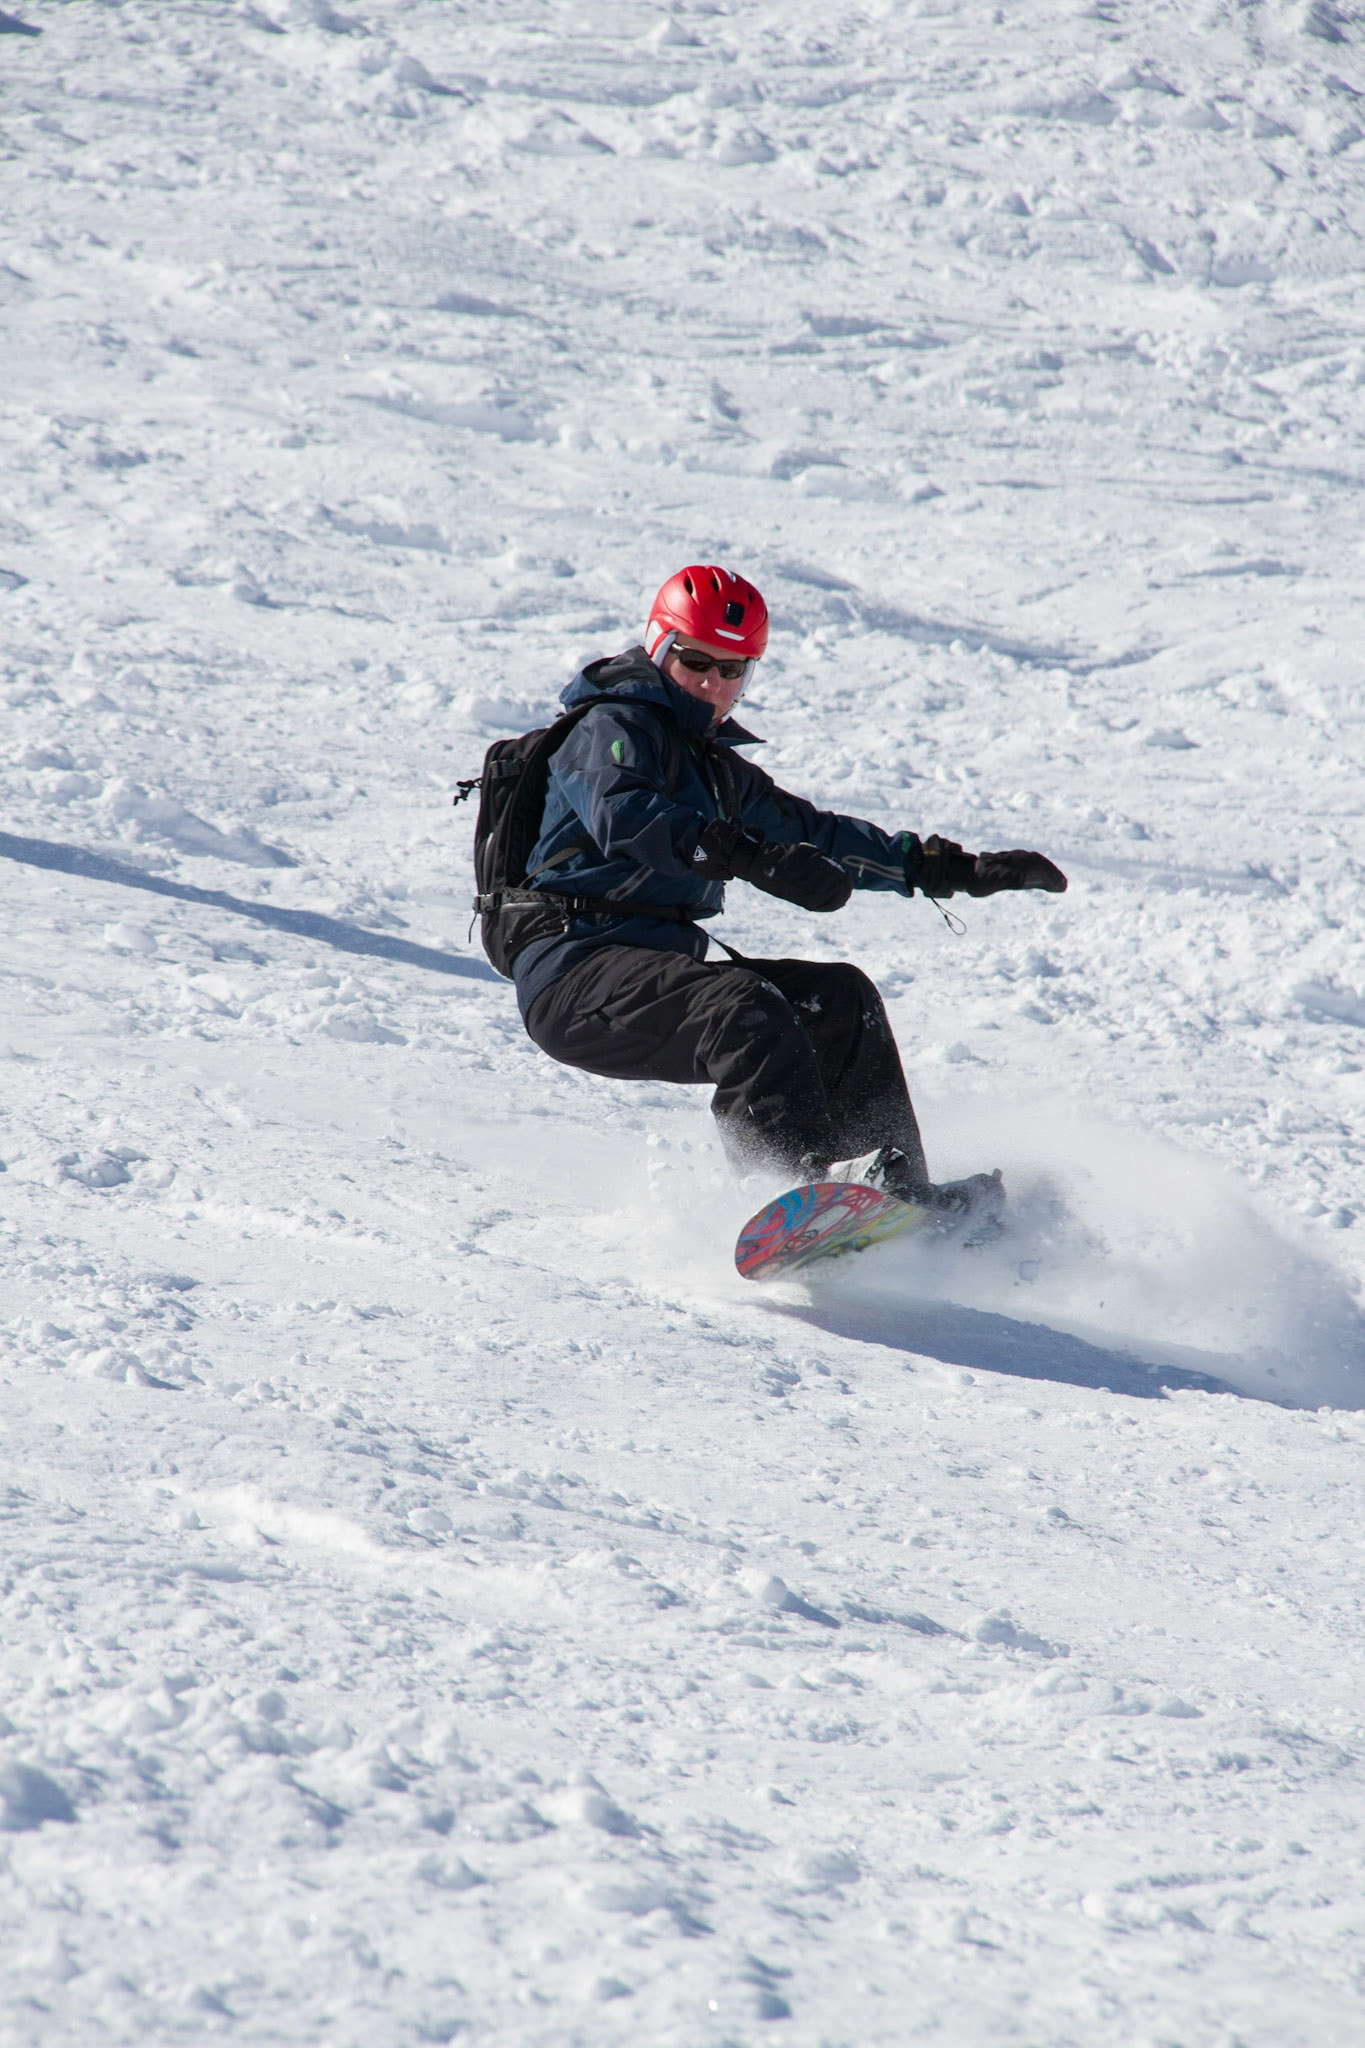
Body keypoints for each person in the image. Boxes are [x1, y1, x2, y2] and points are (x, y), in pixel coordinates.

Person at [504, 565, 1066, 1219]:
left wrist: (949, 870)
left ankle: (893, 1195)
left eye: (733, 669)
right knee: (743, 1004)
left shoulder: (714, 771)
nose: (713, 682)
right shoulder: (611, 727)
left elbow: (815, 833)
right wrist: (744, 855)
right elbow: (620, 816)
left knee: (836, 998)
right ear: (658, 648)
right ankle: (792, 1190)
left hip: (650, 968)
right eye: (695, 660)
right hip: (575, 974)